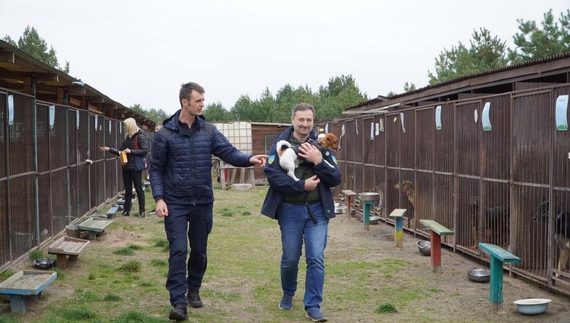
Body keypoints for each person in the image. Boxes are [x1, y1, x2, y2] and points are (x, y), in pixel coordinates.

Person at [149, 82, 268, 321]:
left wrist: (249, 159)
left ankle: (194, 289)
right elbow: (155, 168)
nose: (203, 104)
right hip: (176, 203)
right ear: (185, 102)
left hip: (203, 201)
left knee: (200, 252)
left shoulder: (209, 131)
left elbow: (229, 152)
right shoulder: (164, 135)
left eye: (203, 100)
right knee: (178, 250)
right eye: (198, 101)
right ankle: (178, 302)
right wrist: (159, 198)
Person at [261, 103, 341, 322]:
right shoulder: (280, 145)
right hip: (290, 209)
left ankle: (313, 305)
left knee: (316, 257)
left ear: (313, 122)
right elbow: (272, 175)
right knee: (290, 258)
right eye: (301, 120)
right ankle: (288, 294)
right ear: (293, 120)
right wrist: (300, 186)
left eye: (309, 120)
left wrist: (318, 161)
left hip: (317, 210)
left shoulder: (323, 145)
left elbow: (335, 178)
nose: (305, 124)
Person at [99, 117, 148, 217]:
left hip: (135, 167)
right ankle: (126, 210)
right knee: (128, 189)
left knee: (138, 189)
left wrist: (131, 151)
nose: (124, 127)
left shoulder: (140, 136)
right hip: (126, 166)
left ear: (130, 126)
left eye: (125, 125)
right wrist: (108, 149)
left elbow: (144, 151)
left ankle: (142, 210)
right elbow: (120, 152)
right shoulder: (127, 138)